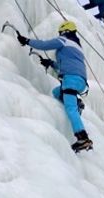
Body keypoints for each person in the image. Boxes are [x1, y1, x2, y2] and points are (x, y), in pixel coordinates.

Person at [17, 21, 92, 152]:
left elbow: (45, 45)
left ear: (65, 31)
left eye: (60, 32)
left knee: (70, 108)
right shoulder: (77, 47)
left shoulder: (64, 40)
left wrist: (27, 41)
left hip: (71, 79)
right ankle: (77, 102)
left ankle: (83, 137)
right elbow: (68, 64)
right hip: (80, 81)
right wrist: (51, 63)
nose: (60, 34)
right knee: (57, 92)